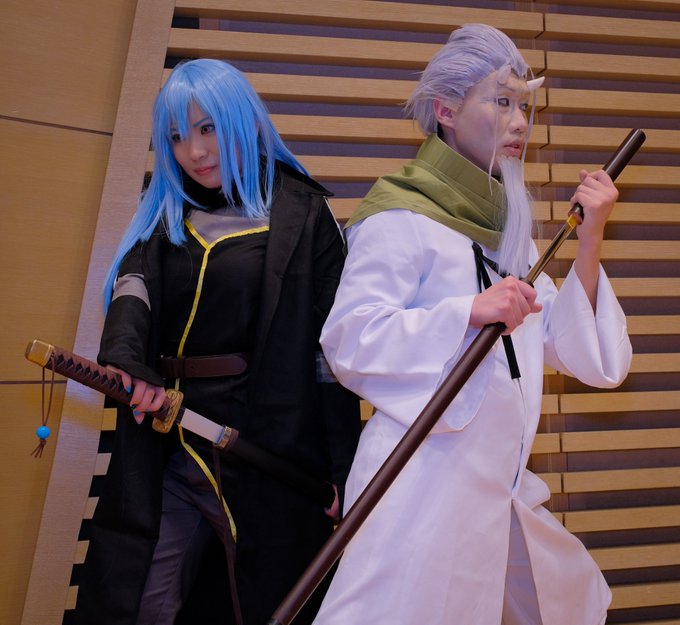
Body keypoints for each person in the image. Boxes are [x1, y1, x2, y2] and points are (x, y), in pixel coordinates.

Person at [312, 23, 632, 625]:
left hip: (499, 491)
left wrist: (591, 238)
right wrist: (468, 312)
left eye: (525, 107)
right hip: (418, 488)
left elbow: (575, 350)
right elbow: (350, 339)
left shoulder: (508, 232)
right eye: (502, 102)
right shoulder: (399, 214)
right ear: (447, 111)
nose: (520, 123)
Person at [73, 58, 361, 625]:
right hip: (169, 437)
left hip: (267, 446)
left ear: (244, 121)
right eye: (177, 137)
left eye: (207, 128)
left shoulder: (304, 216)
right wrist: (128, 362)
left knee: (268, 601)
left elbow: (330, 356)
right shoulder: (165, 216)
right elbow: (133, 290)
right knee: (140, 599)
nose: (195, 152)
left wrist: (343, 470)